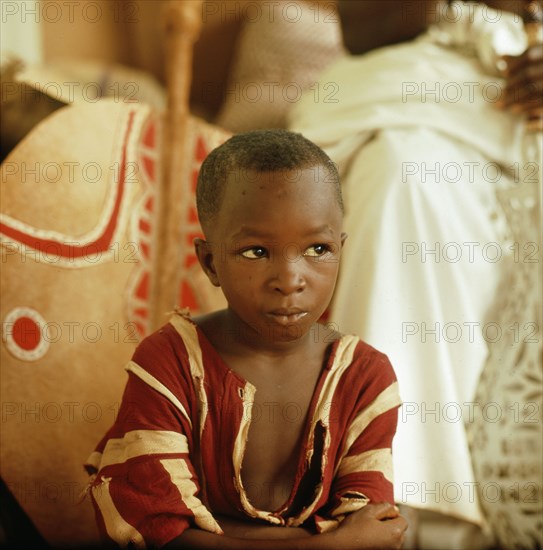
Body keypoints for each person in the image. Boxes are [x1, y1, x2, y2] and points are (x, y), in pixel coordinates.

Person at [288, 0, 541, 546]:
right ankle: (386, 493)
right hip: (412, 94)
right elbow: (362, 25)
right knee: (405, 176)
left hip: (520, 114)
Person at [84, 129, 408, 549]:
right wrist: (329, 543)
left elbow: (374, 529)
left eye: (317, 249)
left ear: (340, 249)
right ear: (210, 263)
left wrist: (216, 532)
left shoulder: (365, 378)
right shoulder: (170, 362)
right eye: (256, 251)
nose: (290, 281)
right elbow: (159, 533)